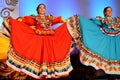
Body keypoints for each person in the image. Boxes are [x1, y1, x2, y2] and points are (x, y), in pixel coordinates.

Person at [5, 3, 73, 79]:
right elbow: (25, 20)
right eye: (40, 8)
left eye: (43, 8)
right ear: (37, 10)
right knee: (38, 55)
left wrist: (68, 22)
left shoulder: (49, 18)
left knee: (50, 55)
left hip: (49, 39)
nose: (42, 9)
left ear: (45, 10)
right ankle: (40, 71)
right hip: (39, 39)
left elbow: (59, 20)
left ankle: (50, 71)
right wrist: (17, 21)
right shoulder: (35, 18)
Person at [66, 6, 120, 76]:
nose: (110, 12)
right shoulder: (101, 19)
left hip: (117, 39)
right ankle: (106, 72)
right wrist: (81, 20)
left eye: (111, 11)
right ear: (104, 12)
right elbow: (92, 23)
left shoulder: (117, 19)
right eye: (108, 11)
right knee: (107, 54)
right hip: (106, 39)